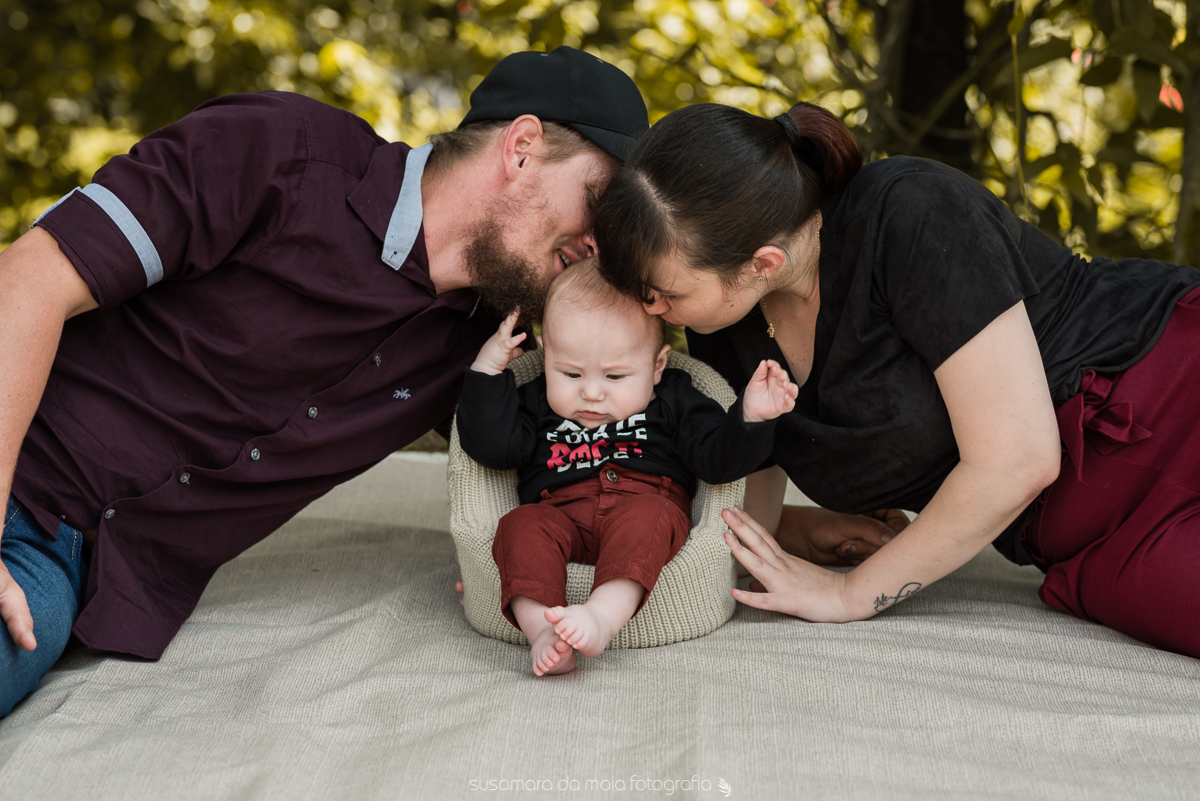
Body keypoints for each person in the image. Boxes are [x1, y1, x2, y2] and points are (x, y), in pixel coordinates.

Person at [0, 46, 649, 715]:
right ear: (522, 148)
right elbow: (27, 280)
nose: (603, 247)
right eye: (602, 207)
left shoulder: (489, 345)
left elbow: (580, 461)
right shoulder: (278, 149)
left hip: (57, 567)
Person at [591, 101, 1200, 658]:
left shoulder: (909, 211)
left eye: (661, 293)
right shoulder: (723, 320)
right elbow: (751, 500)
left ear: (762, 264)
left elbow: (1019, 459)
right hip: (1083, 539)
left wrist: (849, 593)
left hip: (1164, 390)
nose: (649, 310)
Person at [455, 261, 797, 674]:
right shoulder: (536, 402)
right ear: (546, 356)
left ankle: (601, 616)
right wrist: (487, 373)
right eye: (570, 373)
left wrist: (750, 418)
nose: (591, 392)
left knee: (649, 517)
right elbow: (491, 448)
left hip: (645, 510)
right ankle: (543, 629)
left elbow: (717, 460)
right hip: (558, 516)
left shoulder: (675, 400)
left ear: (657, 366)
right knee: (518, 526)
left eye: (615, 376)